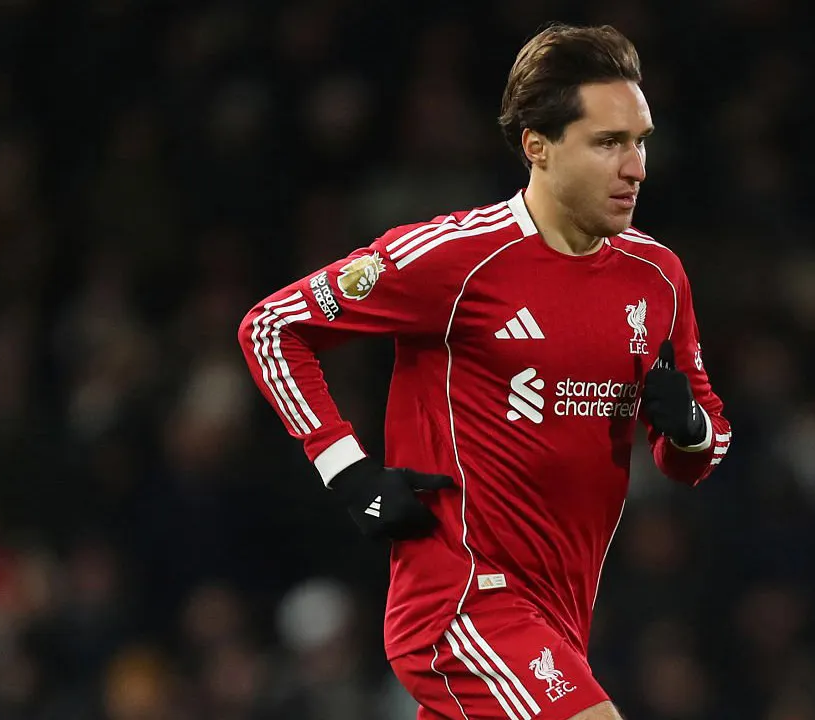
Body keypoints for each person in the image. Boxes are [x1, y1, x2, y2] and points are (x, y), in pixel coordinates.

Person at [238, 23, 730, 720]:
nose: (637, 166)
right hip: (463, 604)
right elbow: (272, 328)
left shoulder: (658, 276)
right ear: (539, 146)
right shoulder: (456, 259)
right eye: (608, 143)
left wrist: (686, 430)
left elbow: (703, 450)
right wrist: (349, 474)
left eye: (641, 140)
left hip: (561, 616)